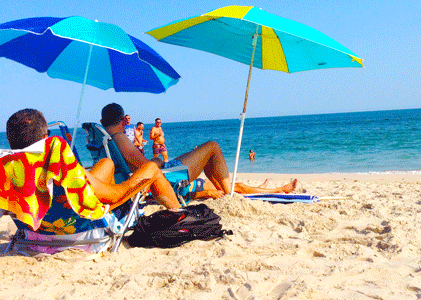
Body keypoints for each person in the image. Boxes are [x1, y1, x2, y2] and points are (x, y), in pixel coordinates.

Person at [101, 103, 298, 201]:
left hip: (156, 181)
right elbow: (147, 167)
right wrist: (157, 161)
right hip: (166, 180)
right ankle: (274, 190)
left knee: (225, 183)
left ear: (103, 122)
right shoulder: (119, 138)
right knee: (212, 147)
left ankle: (270, 189)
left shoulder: (103, 140)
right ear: (121, 121)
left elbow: (132, 165)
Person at [5, 109, 180, 211]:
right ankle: (181, 215)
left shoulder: (7, 169)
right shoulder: (60, 165)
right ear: (45, 136)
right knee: (150, 168)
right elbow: (116, 195)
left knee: (107, 163)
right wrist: (150, 168)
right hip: (82, 227)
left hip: (37, 233)